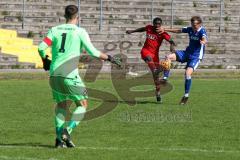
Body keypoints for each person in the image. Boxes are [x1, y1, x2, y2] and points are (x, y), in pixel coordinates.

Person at [38, 5, 121, 148]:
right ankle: (67, 131)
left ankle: (59, 140)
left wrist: (45, 60)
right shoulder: (80, 31)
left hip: (54, 74)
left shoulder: (55, 30)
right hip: (69, 74)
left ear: (64, 16)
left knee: (61, 105)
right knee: (83, 104)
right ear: (77, 17)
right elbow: (94, 52)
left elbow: (40, 47)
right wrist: (109, 58)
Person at [157, 16, 207, 105]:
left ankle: (186, 96)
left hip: (196, 57)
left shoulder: (202, 31)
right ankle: (165, 79)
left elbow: (204, 38)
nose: (193, 26)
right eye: (192, 24)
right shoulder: (190, 29)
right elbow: (178, 30)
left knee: (187, 74)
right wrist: (165, 29)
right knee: (168, 57)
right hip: (187, 53)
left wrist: (203, 41)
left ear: (199, 24)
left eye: (195, 25)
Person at [126, 17, 176, 103]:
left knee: (155, 76)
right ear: (153, 24)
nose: (157, 25)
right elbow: (142, 29)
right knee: (150, 60)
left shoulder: (163, 33)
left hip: (155, 55)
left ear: (161, 24)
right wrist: (132, 31)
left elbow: (171, 41)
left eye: (158, 24)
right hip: (145, 51)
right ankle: (157, 70)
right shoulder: (149, 28)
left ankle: (158, 92)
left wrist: (171, 45)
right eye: (155, 24)